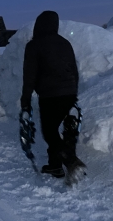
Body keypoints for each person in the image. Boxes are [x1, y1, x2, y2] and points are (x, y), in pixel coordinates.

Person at [20, 11, 86, 182]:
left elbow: (29, 77)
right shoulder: (65, 43)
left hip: (50, 95)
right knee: (65, 131)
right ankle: (55, 165)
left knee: (50, 132)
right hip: (69, 92)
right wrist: (74, 93)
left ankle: (71, 162)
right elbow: (74, 70)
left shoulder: (34, 45)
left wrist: (25, 102)